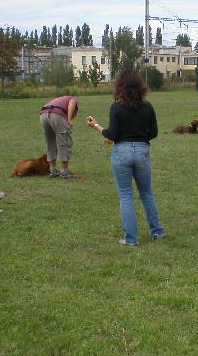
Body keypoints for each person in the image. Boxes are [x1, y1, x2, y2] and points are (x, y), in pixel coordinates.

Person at [86, 69, 164, 246]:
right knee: (146, 193)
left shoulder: (116, 107)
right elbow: (154, 132)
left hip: (121, 152)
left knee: (125, 195)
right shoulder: (148, 107)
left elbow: (112, 134)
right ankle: (157, 232)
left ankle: (131, 238)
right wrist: (141, 141)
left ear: (120, 87)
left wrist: (95, 126)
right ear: (140, 87)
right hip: (143, 152)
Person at [39, 94, 79, 179]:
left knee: (50, 142)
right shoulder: (73, 99)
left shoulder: (59, 100)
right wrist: (68, 120)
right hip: (56, 114)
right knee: (64, 141)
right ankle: (65, 172)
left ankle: (52, 170)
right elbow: (72, 103)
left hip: (43, 114)